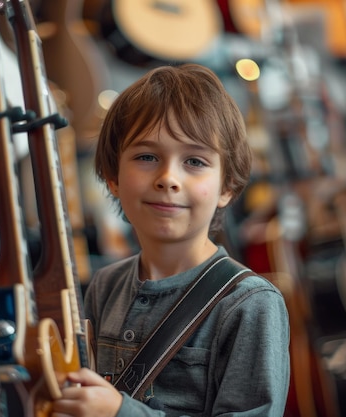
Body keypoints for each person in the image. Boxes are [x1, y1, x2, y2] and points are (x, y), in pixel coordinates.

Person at [52, 63, 290, 417]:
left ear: (226, 187)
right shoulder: (105, 285)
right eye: (147, 157)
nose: (168, 178)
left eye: (194, 161)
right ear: (112, 177)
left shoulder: (249, 304)